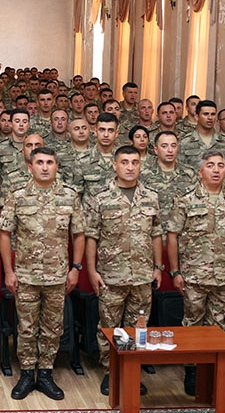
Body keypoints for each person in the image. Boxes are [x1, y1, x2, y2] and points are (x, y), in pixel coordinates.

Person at [0, 147, 85, 401]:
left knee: (52, 328)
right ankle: (26, 374)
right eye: (39, 163)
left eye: (49, 162)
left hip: (58, 276)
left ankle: (45, 373)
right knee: (26, 327)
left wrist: (76, 268)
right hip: (25, 276)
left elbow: (79, 234)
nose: (45, 167)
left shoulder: (69, 196)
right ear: (30, 167)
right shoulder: (17, 196)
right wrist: (8, 271)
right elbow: (5, 234)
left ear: (56, 166)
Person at [166, 150, 225, 396]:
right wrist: (175, 271)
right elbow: (172, 236)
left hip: (224, 274)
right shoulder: (185, 199)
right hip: (194, 275)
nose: (216, 170)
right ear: (200, 171)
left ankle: (212, 371)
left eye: (221, 165)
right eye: (211, 165)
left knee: (217, 325)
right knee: (192, 324)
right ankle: (192, 370)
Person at [85, 145, 163, 397]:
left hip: (142, 276)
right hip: (111, 276)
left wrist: (158, 267)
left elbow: (156, 234)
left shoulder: (150, 197)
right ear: (115, 165)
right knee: (110, 326)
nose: (130, 167)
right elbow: (91, 237)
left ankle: (130, 371)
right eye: (125, 162)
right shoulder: (101, 198)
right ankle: (111, 371)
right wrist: (91, 271)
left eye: (134, 162)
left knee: (137, 327)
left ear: (140, 165)